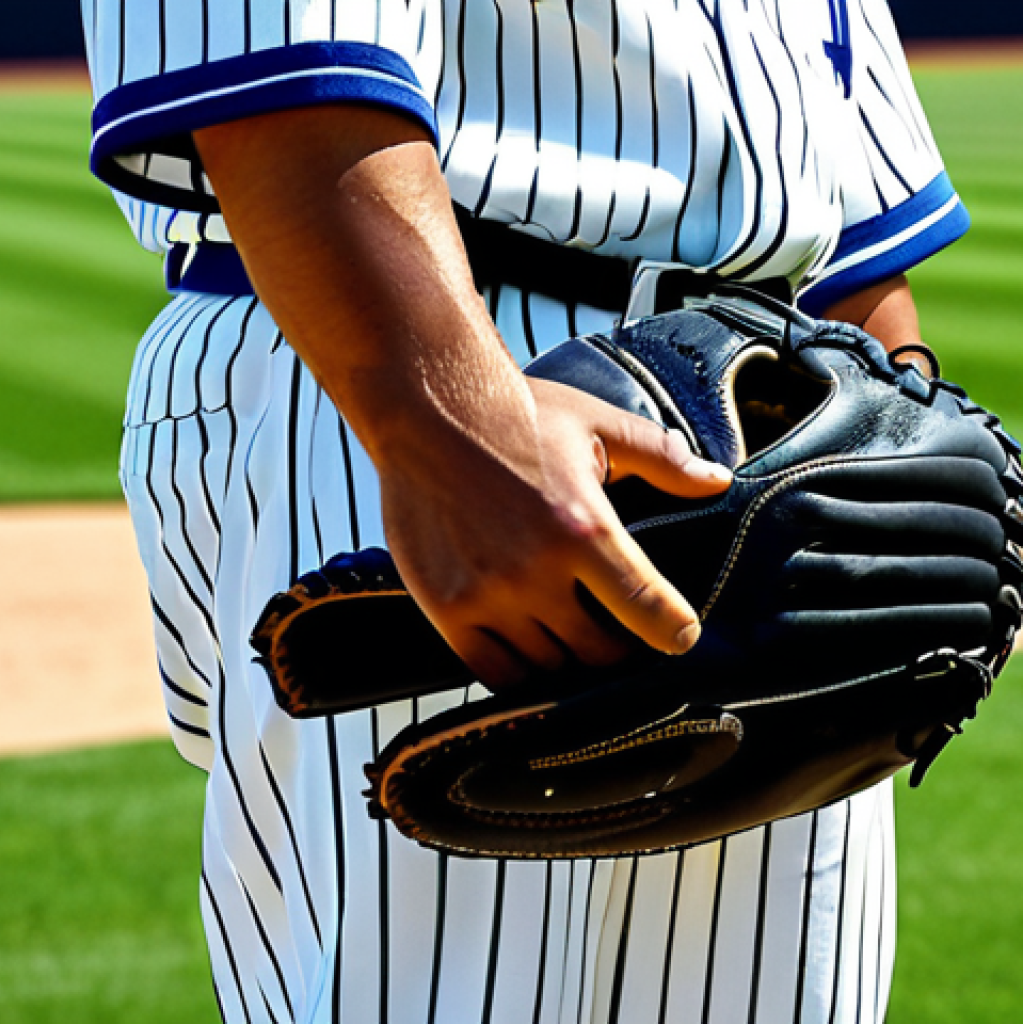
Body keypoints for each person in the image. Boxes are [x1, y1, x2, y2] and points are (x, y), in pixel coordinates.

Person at [83, 1, 968, 1020]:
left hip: (777, 421)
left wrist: (896, 424)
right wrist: (449, 415)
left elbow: (853, 193)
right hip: (440, 354)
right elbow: (274, 54)